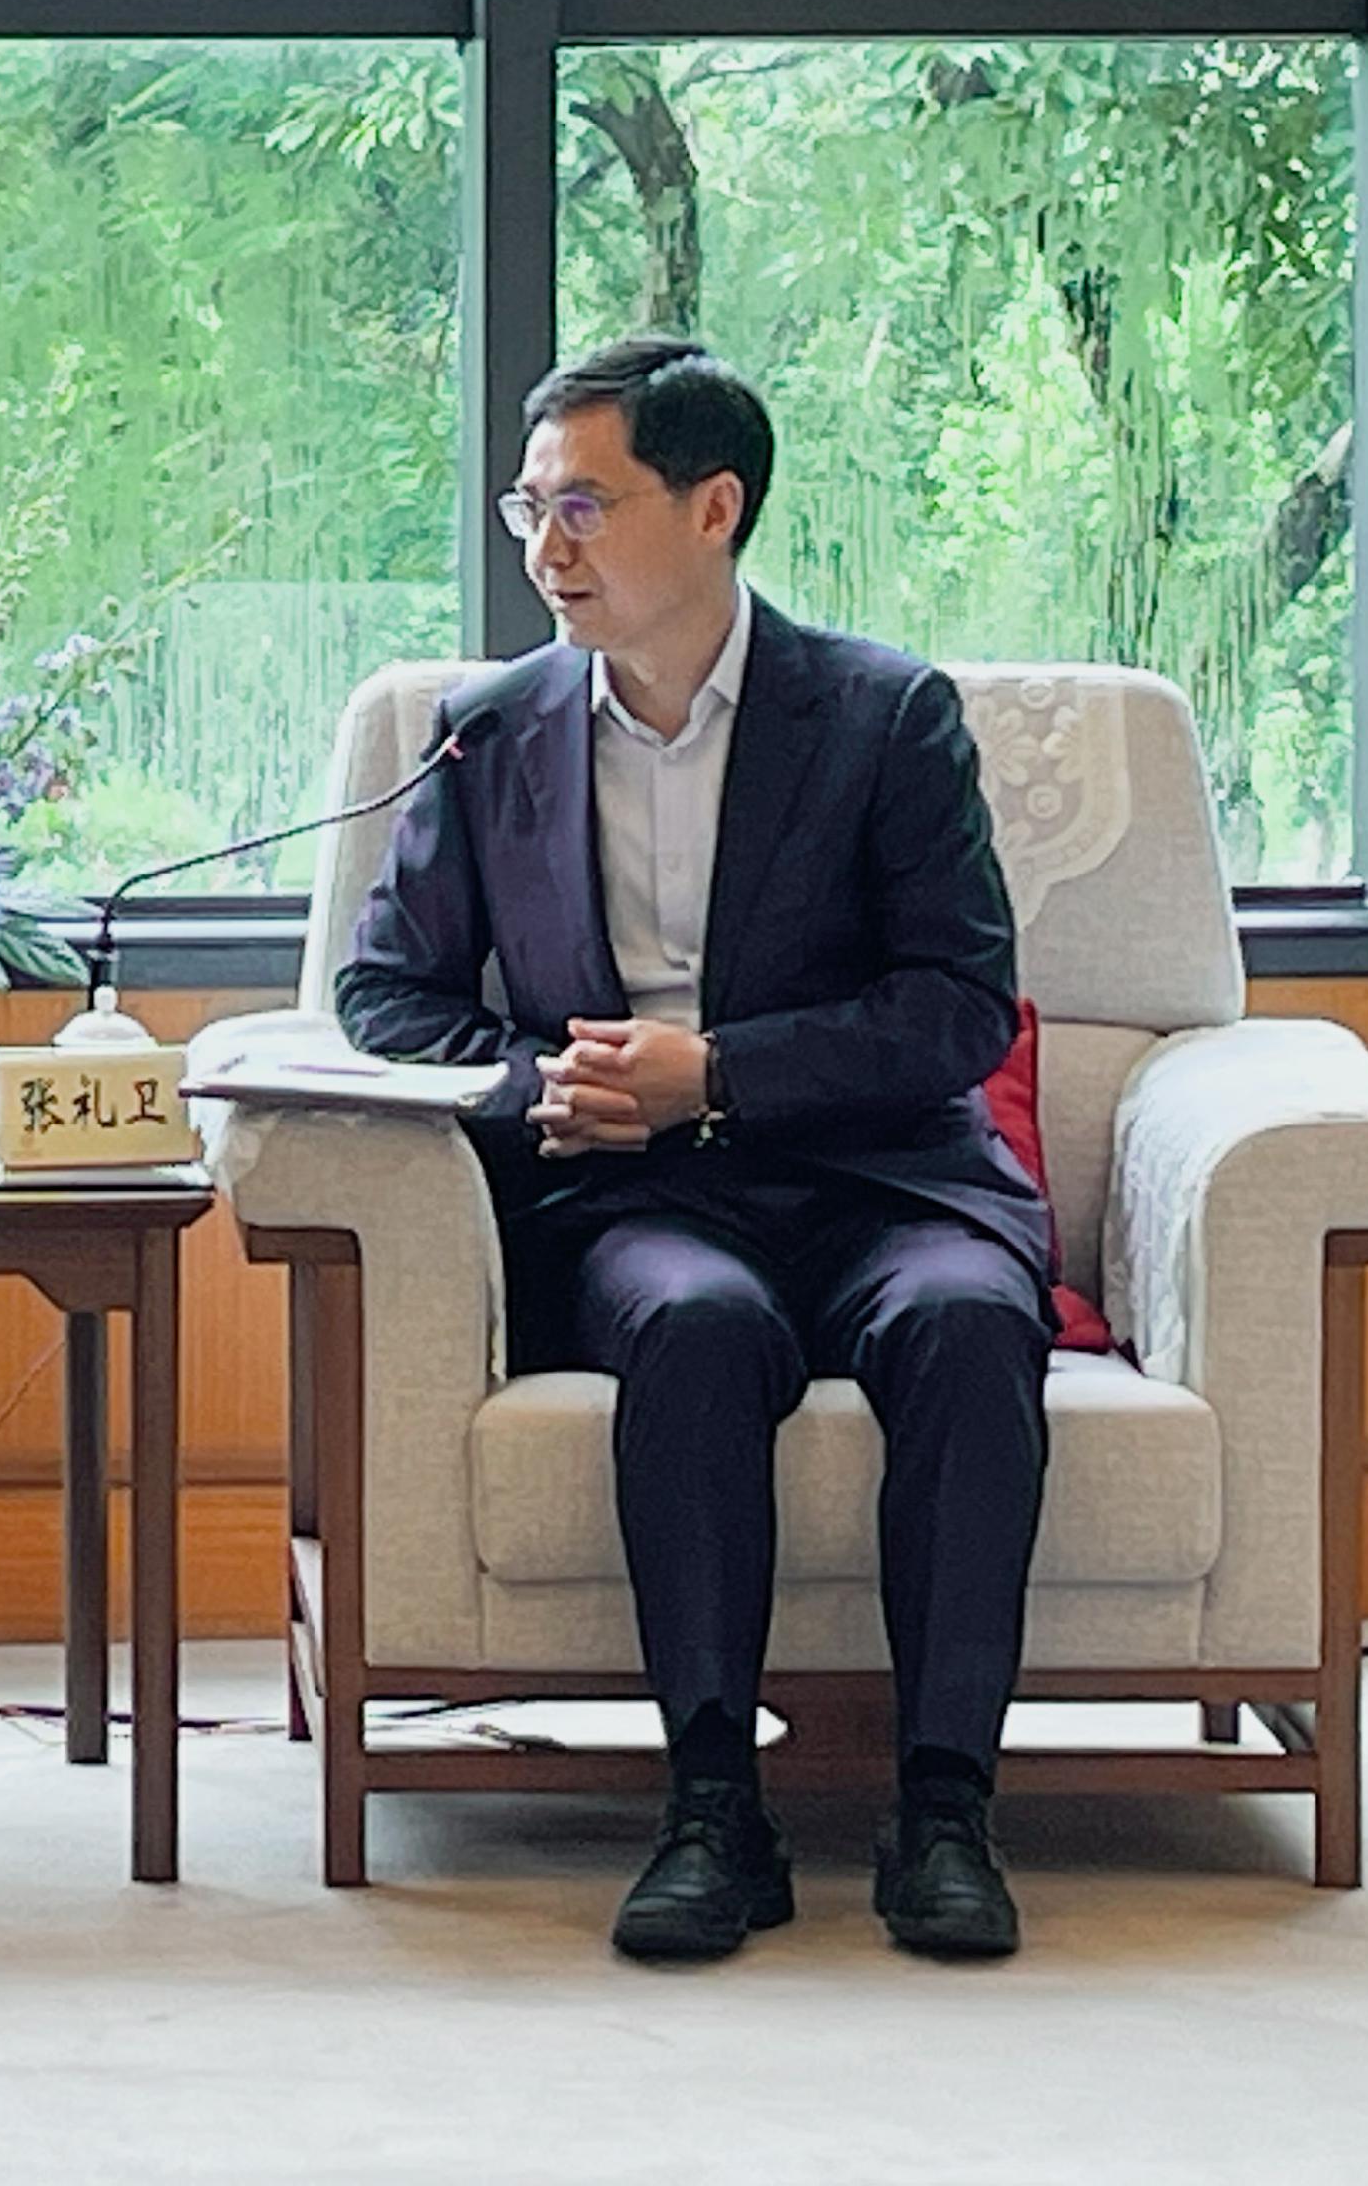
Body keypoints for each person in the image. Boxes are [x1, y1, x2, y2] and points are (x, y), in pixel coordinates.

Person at [337, 338, 1047, 1965]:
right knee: (699, 1329)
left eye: (586, 503)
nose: (546, 546)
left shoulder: (881, 715)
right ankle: (713, 1807)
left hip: (886, 1176)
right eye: (530, 507)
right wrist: (549, 1086)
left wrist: (712, 1073)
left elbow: (956, 1011)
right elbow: (387, 992)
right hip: (638, 1194)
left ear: (715, 508)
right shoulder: (489, 730)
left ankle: (946, 1808)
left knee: (961, 1326)